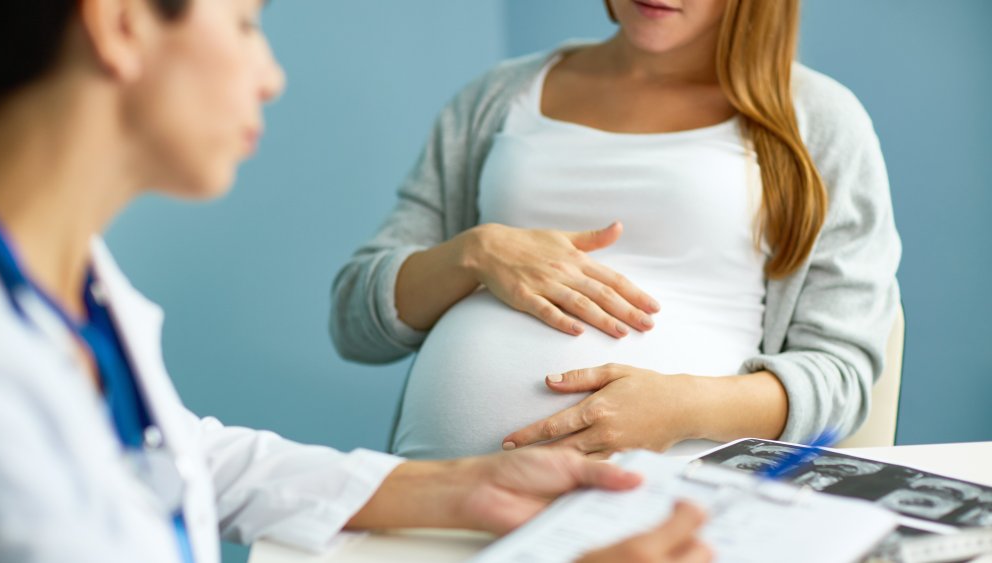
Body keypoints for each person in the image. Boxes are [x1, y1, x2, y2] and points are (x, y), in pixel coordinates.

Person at [0, 1, 712, 562]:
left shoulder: (73, 282)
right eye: (245, 24)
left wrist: (459, 487)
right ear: (120, 25)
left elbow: (175, 456)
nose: (270, 76)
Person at [331, 0, 901, 459]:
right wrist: (474, 253)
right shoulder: (497, 97)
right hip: (437, 512)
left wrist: (684, 407)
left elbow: (840, 378)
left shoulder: (819, 120)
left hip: (668, 520)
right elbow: (355, 321)